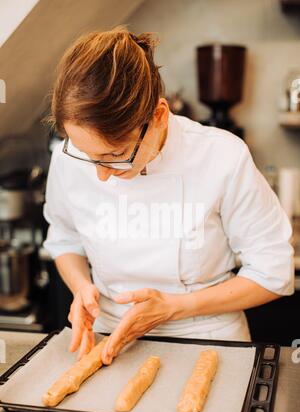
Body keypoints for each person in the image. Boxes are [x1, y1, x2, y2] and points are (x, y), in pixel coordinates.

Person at [44, 27, 294, 365]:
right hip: (107, 339)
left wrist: (176, 307)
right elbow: (65, 239)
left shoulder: (221, 156)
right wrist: (80, 287)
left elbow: (273, 273)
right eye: (88, 157)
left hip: (207, 341)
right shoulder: (67, 156)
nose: (100, 174)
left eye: (114, 155)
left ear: (159, 116)